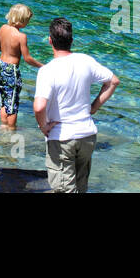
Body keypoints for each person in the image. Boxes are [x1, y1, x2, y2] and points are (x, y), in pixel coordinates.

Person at [33, 16, 121, 193]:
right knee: (81, 186)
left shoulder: (47, 70)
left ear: (50, 41)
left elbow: (39, 106)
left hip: (62, 136)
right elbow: (113, 81)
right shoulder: (85, 61)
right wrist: (93, 108)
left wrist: (43, 126)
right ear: (71, 41)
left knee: (64, 189)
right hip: (87, 135)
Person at [0, 3, 43, 128]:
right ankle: (11, 131)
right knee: (13, 104)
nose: (27, 23)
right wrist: (42, 66)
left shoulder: (3, 28)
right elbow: (27, 58)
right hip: (11, 70)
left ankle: (3, 126)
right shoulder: (21, 36)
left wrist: (8, 51)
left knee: (4, 101)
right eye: (27, 20)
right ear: (21, 20)